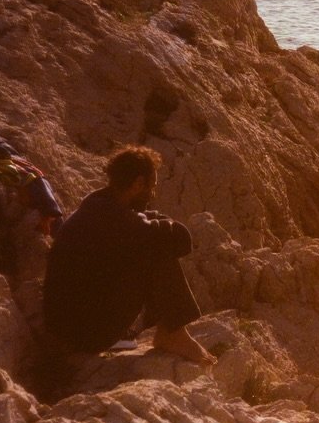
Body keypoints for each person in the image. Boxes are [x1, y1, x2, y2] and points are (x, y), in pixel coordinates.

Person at [43, 146, 213, 365]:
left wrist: (151, 220)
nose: (152, 194)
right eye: (151, 187)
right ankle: (173, 333)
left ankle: (171, 331)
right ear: (138, 184)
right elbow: (181, 241)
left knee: (150, 242)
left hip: (69, 327)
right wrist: (156, 223)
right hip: (82, 334)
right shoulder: (114, 218)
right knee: (155, 248)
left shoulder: (98, 205)